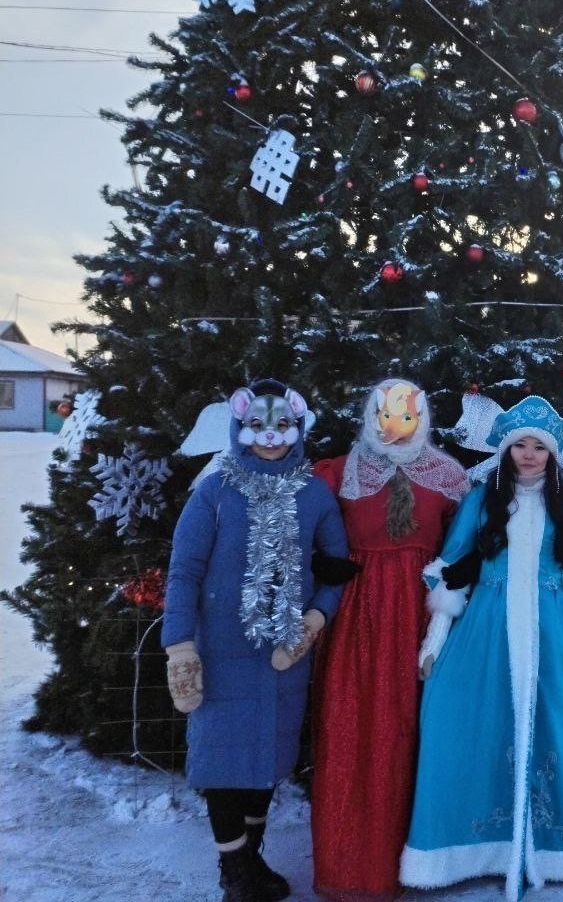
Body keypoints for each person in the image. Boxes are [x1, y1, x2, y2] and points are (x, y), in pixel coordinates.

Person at [399, 395, 563, 901]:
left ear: (553, 454)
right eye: (521, 446)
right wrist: (435, 638)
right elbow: (451, 570)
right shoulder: (481, 499)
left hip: (554, 624)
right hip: (487, 626)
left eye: (540, 447)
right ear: (507, 451)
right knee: (464, 720)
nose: (530, 455)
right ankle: (480, 846)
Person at [162, 380, 349, 902]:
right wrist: (180, 644)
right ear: (241, 426)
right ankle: (235, 873)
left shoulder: (314, 493)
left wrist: (315, 618)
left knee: (266, 760)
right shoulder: (216, 489)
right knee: (223, 762)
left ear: (298, 428)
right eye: (258, 426)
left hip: (285, 652)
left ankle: (252, 859)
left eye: (282, 426)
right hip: (221, 651)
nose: (270, 437)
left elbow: (336, 568)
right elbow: (184, 570)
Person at [309, 379, 470, 901]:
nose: (394, 425)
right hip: (358, 617)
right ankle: (353, 866)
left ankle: (423, 859)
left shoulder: (450, 478)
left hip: (424, 620)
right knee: (353, 730)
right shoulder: (334, 473)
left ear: (424, 418)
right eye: (384, 413)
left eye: (408, 414)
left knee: (417, 732)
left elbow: (468, 546)